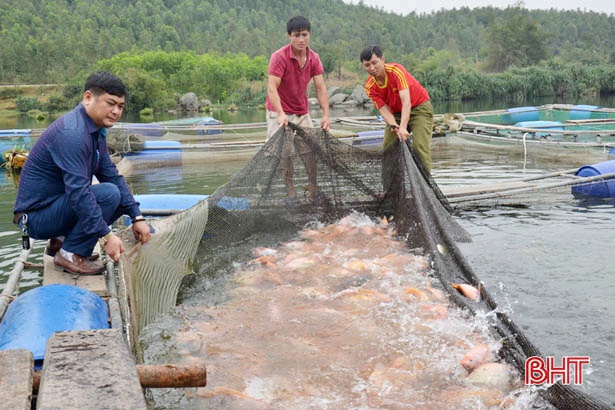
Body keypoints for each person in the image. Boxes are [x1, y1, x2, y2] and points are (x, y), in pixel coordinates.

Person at [13, 71, 151, 275]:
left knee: (118, 194)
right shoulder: (73, 134)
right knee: (108, 194)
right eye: (110, 103)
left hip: (53, 207)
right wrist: (106, 237)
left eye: (120, 106)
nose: (116, 111)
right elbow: (78, 193)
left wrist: (137, 216)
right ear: (88, 98)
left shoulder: (95, 131)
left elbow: (110, 174)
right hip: (34, 218)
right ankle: (70, 253)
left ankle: (61, 242)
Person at [265, 15, 330, 203]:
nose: (301, 39)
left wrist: (326, 115)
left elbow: (320, 87)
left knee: (311, 152)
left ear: (309, 35)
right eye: (296, 35)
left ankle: (312, 189)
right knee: (285, 154)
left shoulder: (314, 58)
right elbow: (271, 88)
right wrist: (280, 113)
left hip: (302, 112)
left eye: (304, 35)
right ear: (289, 36)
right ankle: (291, 191)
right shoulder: (279, 57)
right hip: (279, 112)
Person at [360, 45, 434, 174]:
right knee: (388, 150)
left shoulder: (396, 71)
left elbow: (406, 102)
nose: (371, 68)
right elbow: (383, 110)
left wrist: (403, 127)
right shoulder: (369, 86)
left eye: (374, 63)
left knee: (419, 147)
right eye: (367, 65)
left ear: (382, 59)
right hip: (396, 114)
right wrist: (394, 125)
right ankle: (390, 190)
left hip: (419, 107)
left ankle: (425, 186)